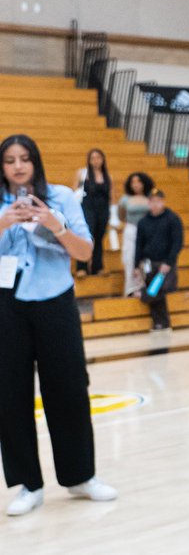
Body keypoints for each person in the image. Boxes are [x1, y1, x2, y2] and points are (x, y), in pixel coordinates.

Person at [0, 134, 119, 517]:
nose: (18, 166)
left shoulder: (63, 197)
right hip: (7, 305)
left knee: (68, 389)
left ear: (36, 160)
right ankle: (28, 485)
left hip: (55, 301)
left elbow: (85, 252)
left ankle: (80, 477)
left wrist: (54, 224)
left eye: (25, 158)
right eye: (9, 160)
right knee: (10, 394)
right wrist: (4, 223)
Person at [133, 188, 183, 331]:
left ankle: (143, 296)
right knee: (156, 293)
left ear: (163, 202)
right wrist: (136, 265)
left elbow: (177, 243)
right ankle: (160, 323)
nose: (155, 204)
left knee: (159, 290)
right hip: (149, 263)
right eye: (152, 201)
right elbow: (139, 244)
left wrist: (169, 262)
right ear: (148, 203)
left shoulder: (172, 219)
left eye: (158, 201)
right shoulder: (143, 222)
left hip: (165, 263)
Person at [73, 148, 111, 275]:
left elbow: (111, 196)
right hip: (87, 209)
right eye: (93, 158)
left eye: (98, 158)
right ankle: (82, 266)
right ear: (89, 160)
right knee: (86, 236)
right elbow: (75, 192)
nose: (96, 161)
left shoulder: (107, 176)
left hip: (103, 210)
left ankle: (97, 266)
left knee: (99, 238)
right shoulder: (82, 173)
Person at [117, 172, 155, 296]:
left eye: (138, 182)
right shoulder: (125, 199)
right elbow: (121, 215)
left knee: (146, 259)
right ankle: (131, 289)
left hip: (147, 232)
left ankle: (145, 286)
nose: (136, 185)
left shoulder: (150, 198)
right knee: (130, 258)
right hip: (131, 231)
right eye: (133, 182)